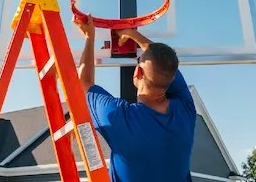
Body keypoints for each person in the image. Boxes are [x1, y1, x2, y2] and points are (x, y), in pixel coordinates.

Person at [73, 14, 197, 182]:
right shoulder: (187, 110)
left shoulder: (118, 116)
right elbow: (164, 61)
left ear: (138, 72)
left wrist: (90, 36)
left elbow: (84, 83)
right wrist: (133, 34)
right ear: (173, 79)